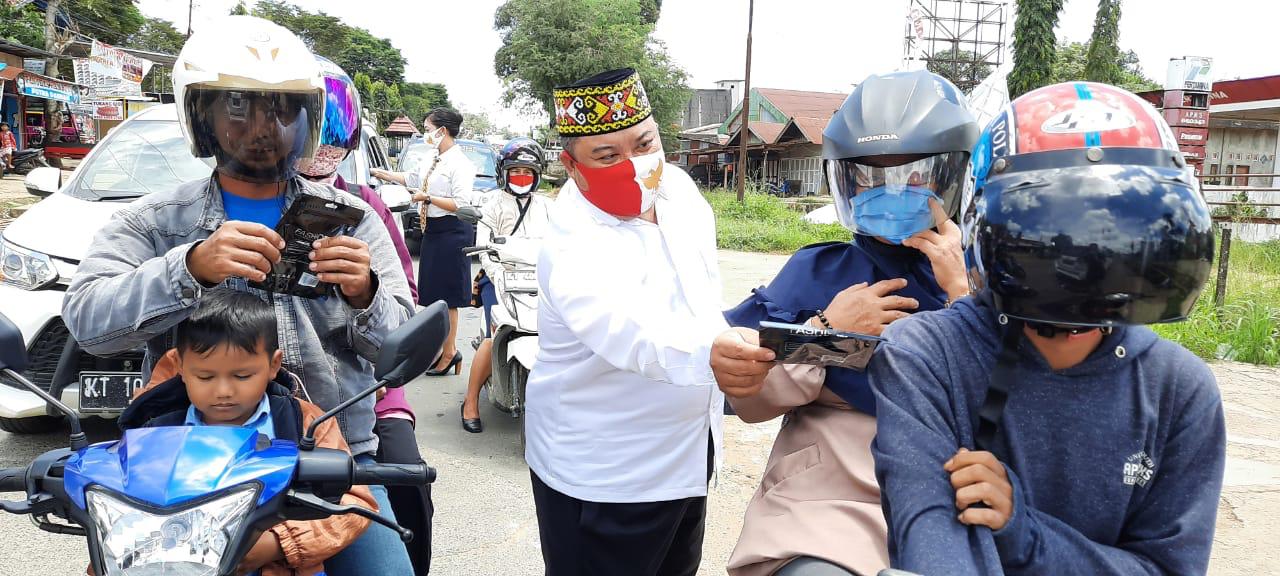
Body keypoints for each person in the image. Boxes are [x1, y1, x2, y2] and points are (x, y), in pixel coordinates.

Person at [61, 16, 416, 576]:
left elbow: (401, 347)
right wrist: (189, 269)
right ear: (201, 117)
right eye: (238, 108)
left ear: (306, 119)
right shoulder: (155, 222)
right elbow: (88, 323)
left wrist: (364, 292)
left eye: (281, 110)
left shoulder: (353, 221)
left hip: (329, 456)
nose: (262, 127)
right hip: (187, 460)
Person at [869, 82, 1225, 575]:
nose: (1089, 262)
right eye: (1055, 231)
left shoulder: (1177, 390)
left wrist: (1025, 532)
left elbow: (1169, 567)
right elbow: (932, 541)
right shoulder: (926, 356)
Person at [708, 70, 978, 576]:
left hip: (960, 486)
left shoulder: (994, 274)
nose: (892, 191)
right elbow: (742, 384)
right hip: (835, 494)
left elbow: (1026, 394)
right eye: (871, 177)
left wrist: (961, 297)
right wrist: (827, 330)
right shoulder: (818, 272)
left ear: (956, 177)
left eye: (913, 176)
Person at [525, 68, 728, 576]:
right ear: (572, 167)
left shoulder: (680, 193)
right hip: (607, 477)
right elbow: (635, 336)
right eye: (608, 156)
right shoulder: (572, 242)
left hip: (688, 458)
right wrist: (731, 356)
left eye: (644, 144)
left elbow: (703, 303)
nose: (636, 166)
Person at [117, 290, 375, 576]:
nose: (223, 391)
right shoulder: (154, 428)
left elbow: (355, 501)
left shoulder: (304, 422)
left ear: (273, 365)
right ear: (179, 365)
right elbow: (118, 511)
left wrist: (278, 542)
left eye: (242, 376)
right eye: (205, 376)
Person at [292, 55, 432, 576]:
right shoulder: (183, 217)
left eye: (336, 132)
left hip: (357, 412)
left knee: (410, 496)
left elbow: (405, 309)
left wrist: (362, 287)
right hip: (230, 434)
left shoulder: (361, 210)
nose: (324, 146)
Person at [372, 108, 477, 377]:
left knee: (449, 298)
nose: (426, 134)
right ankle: (442, 349)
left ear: (443, 130)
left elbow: (461, 204)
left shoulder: (460, 163)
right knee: (432, 296)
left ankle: (451, 351)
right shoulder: (434, 157)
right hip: (433, 231)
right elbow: (413, 178)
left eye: (429, 129)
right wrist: (383, 174)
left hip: (453, 231)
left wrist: (428, 199)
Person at [459, 137, 551, 433]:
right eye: (516, 173)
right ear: (504, 174)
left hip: (541, 279)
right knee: (494, 334)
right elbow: (482, 247)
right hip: (500, 276)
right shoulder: (492, 203)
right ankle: (470, 401)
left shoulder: (549, 207)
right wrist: (495, 273)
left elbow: (564, 242)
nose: (521, 179)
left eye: (527, 173)